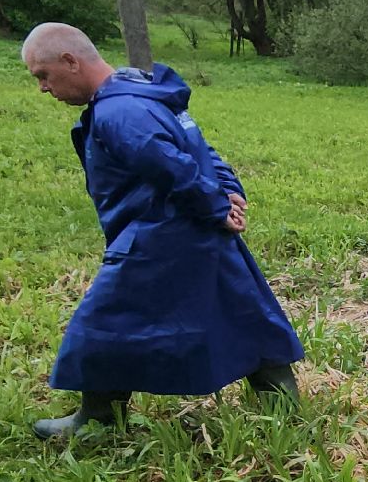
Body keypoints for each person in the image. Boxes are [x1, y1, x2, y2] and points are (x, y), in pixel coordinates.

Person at [20, 23, 304, 439]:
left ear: (70, 61)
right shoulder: (145, 94)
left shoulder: (119, 112)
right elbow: (200, 148)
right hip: (196, 229)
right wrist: (227, 192)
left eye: (43, 75)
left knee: (104, 324)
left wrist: (217, 203)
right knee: (244, 311)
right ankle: (284, 408)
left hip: (156, 237)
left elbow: (171, 166)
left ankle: (96, 419)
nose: (44, 88)